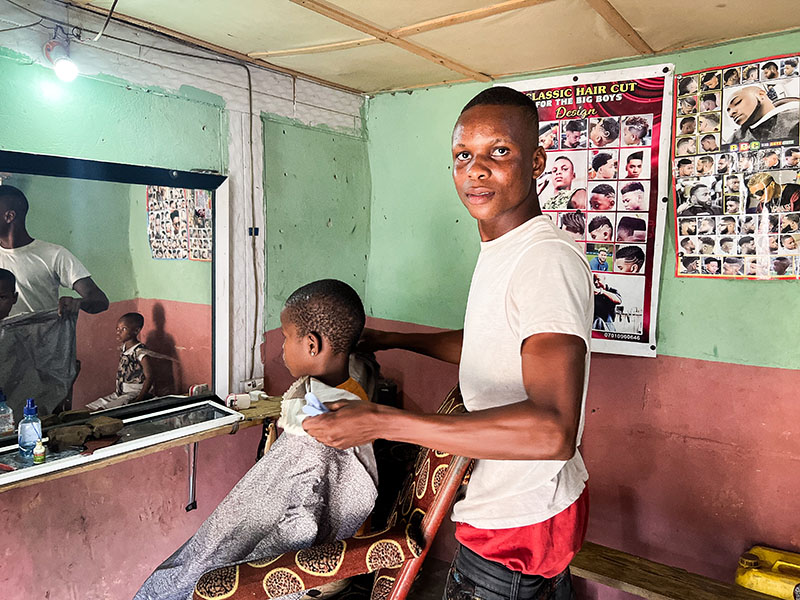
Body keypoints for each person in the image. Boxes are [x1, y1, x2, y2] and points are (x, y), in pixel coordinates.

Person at [303, 87, 594, 599]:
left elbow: (553, 431)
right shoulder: (504, 247)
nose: (476, 169)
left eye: (498, 152)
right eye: (463, 155)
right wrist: (393, 340)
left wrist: (382, 421)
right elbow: (493, 344)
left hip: (519, 525)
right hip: (518, 510)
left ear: (537, 162)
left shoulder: (543, 261)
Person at [135, 279, 379, 600]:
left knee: (181, 578)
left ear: (312, 345)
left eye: (286, 337)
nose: (281, 348)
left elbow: (302, 524)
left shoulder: (323, 425)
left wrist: (249, 577)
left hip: (282, 567)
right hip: (271, 536)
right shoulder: (339, 392)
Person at [0, 185, 109, 317]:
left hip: (43, 331)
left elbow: (100, 300)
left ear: (9, 216)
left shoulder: (54, 254)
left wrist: (77, 303)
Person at [86, 313, 154, 411]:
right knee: (89, 408)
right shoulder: (124, 348)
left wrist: (139, 399)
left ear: (136, 331)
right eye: (117, 329)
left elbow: (150, 376)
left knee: (102, 411)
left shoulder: (140, 351)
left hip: (134, 393)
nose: (119, 332)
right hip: (120, 393)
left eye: (124, 329)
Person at [726, 85, 800, 143]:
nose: (731, 113)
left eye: (737, 102)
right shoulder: (734, 140)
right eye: (728, 110)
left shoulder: (795, 120)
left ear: (761, 95)